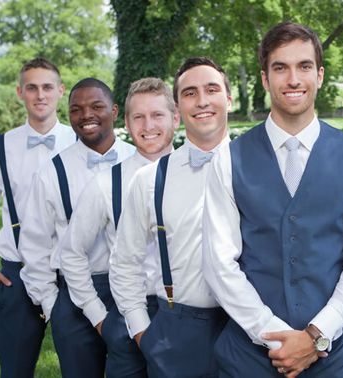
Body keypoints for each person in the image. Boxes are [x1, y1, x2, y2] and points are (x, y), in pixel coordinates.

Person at [202, 21, 343, 378]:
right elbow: (220, 264)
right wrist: (274, 337)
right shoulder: (226, 160)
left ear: (319, 75)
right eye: (280, 68)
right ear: (266, 79)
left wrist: (315, 336)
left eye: (303, 67)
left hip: (334, 353)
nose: (293, 79)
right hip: (249, 355)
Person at [110, 57, 232, 377]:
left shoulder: (260, 168)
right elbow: (124, 261)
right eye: (190, 93)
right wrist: (141, 331)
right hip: (176, 332)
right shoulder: (150, 180)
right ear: (178, 110)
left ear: (228, 99)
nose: (202, 100)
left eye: (211, 89)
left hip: (247, 331)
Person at [60, 77, 176, 377]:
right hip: (128, 314)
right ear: (125, 121)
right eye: (138, 116)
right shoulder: (105, 183)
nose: (148, 125)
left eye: (157, 115)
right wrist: (98, 316)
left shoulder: (198, 173)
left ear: (175, 117)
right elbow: (71, 252)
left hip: (187, 316)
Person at [19, 78, 135, 377]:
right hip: (72, 297)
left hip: (133, 291)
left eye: (96, 106)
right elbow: (34, 244)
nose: (86, 115)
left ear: (115, 110)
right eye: (76, 109)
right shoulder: (51, 173)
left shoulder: (138, 160)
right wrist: (51, 303)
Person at [0, 57, 75, 377]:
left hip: (73, 276)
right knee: (15, 370)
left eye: (47, 87)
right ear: (20, 92)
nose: (40, 95)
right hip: (17, 277)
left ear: (60, 91)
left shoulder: (81, 141)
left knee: (83, 367)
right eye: (32, 88)